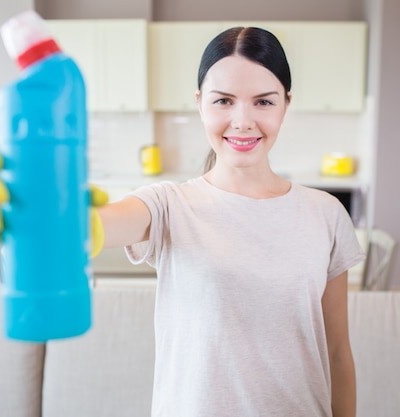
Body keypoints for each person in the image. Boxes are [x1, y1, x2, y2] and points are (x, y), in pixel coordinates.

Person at [97, 27, 365, 417]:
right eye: (223, 100)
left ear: (285, 105)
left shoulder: (325, 214)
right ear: (200, 103)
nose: (242, 121)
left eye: (263, 102)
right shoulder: (170, 204)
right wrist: (59, 223)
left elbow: (338, 353)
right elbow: (101, 227)